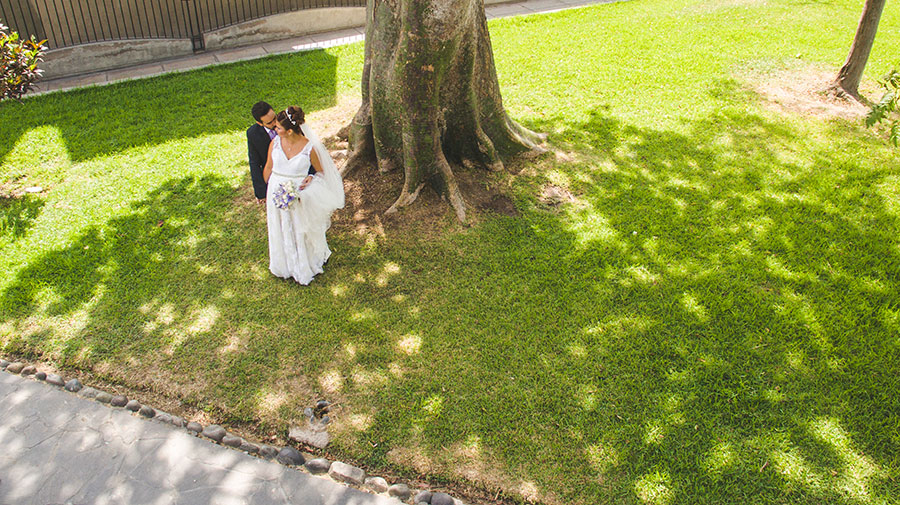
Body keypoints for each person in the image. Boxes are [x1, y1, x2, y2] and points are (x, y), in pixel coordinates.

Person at [263, 106, 345, 284]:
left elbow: (321, 172)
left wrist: (310, 177)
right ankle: (282, 264)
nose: (274, 130)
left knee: (298, 227)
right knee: (279, 226)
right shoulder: (275, 143)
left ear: (290, 130)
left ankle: (302, 263)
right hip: (275, 192)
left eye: (278, 128)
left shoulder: (309, 147)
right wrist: (266, 191)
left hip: (297, 194)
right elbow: (269, 166)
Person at [247, 101, 316, 203]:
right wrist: (261, 192)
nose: (275, 123)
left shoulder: (287, 122)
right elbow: (254, 163)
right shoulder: (253, 134)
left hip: (297, 175)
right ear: (260, 123)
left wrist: (311, 174)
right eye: (269, 123)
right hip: (275, 178)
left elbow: (307, 150)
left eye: (274, 118)